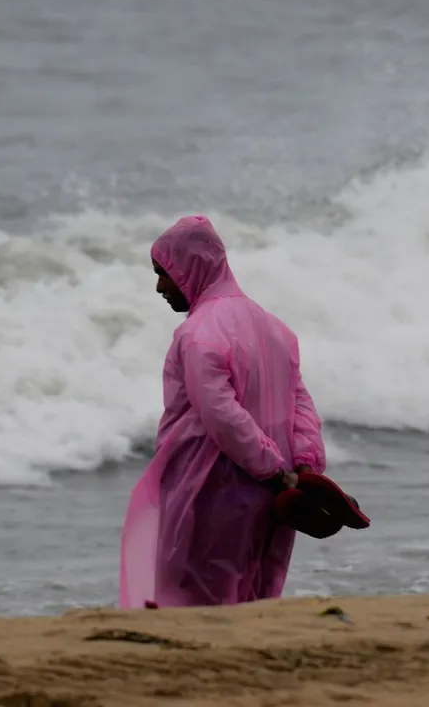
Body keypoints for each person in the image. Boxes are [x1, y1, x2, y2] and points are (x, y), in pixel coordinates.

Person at [118, 214, 327, 609]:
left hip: (209, 491)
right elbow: (300, 401)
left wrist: (271, 466)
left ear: (189, 268)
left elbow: (220, 413)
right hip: (274, 497)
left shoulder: (198, 333)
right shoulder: (274, 327)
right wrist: (303, 464)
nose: (159, 286)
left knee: (192, 600)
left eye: (164, 272)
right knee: (254, 595)